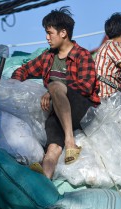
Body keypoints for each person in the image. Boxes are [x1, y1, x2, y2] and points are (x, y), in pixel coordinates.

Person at [11, 7, 100, 179]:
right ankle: (43, 184)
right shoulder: (48, 57)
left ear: (63, 33)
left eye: (50, 33)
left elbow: (86, 87)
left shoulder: (82, 55)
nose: (47, 37)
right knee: (51, 149)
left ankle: (70, 141)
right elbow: (24, 70)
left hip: (82, 108)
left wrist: (53, 90)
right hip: (59, 112)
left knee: (54, 86)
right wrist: (13, 85)